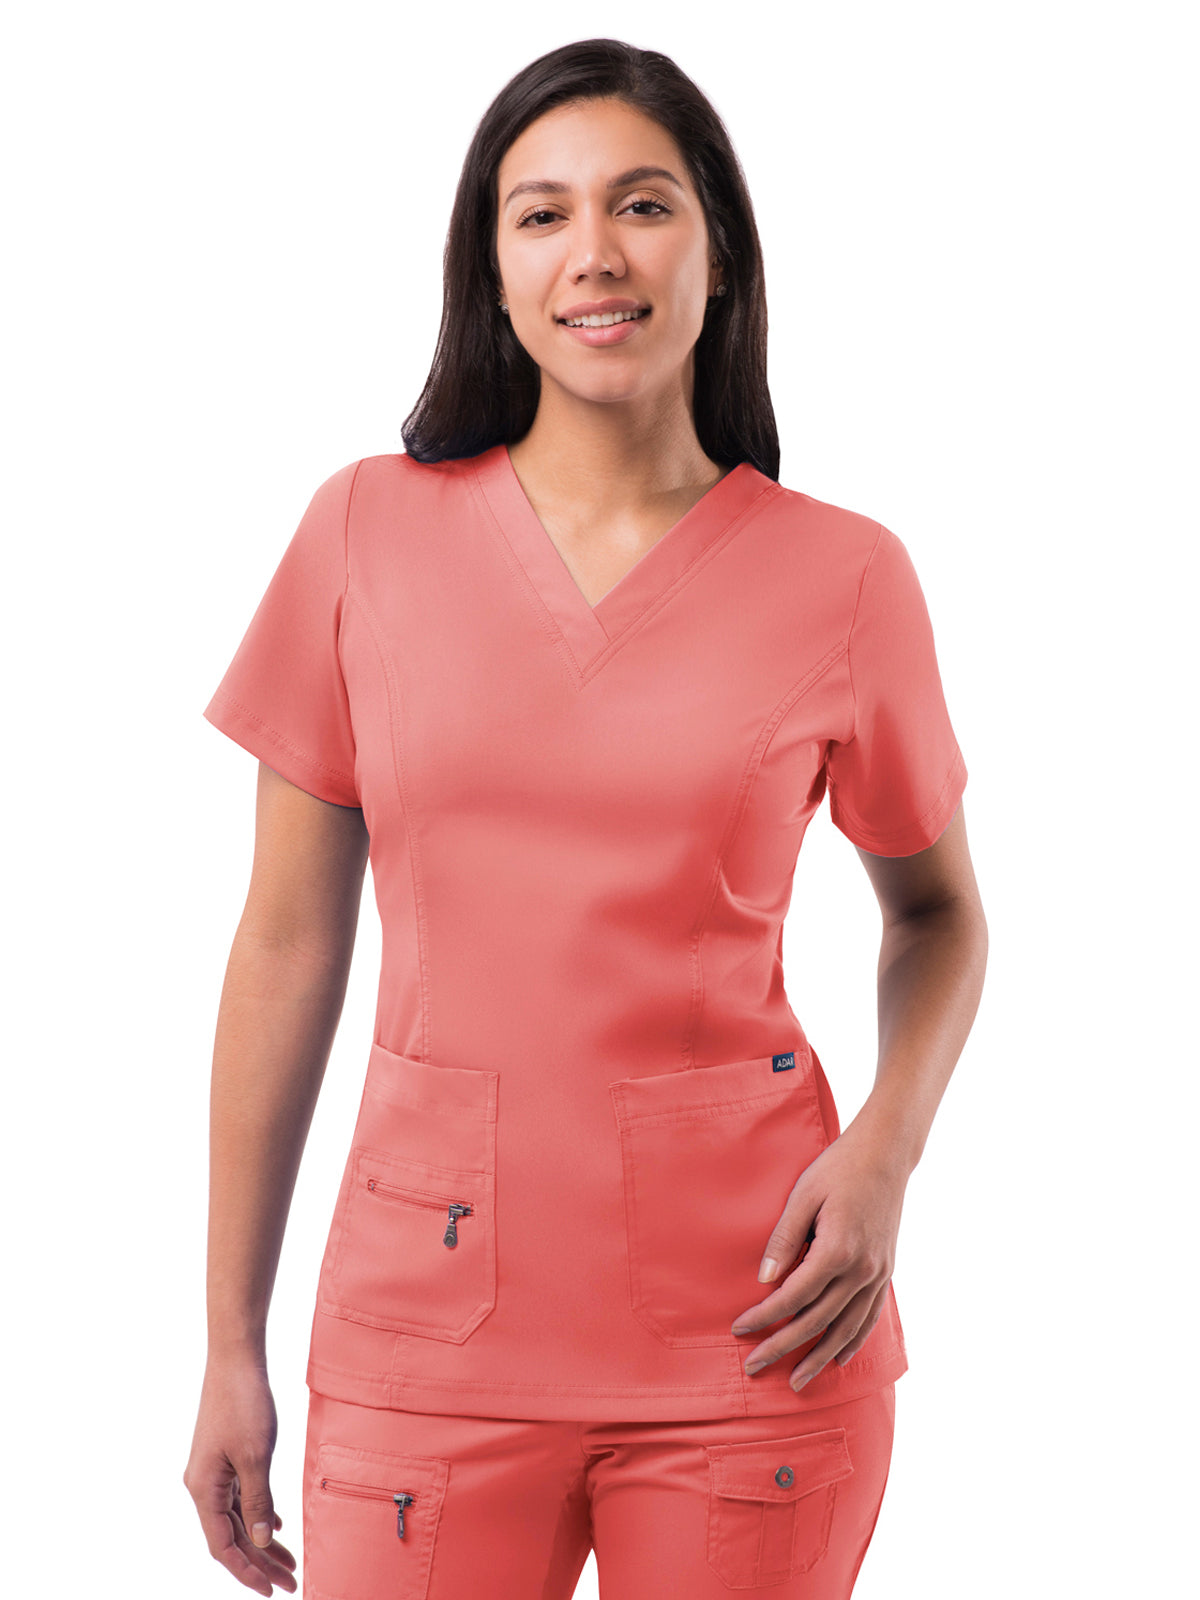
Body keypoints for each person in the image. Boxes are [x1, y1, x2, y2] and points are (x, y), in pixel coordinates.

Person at [183, 36, 987, 1600]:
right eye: (541, 215)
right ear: (490, 272)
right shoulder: (362, 535)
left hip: (759, 1326)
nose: (595, 253)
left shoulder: (845, 578)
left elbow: (941, 913)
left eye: (643, 205)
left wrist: (885, 1156)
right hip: (424, 1335)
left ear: (719, 253)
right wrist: (228, 1341)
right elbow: (284, 944)